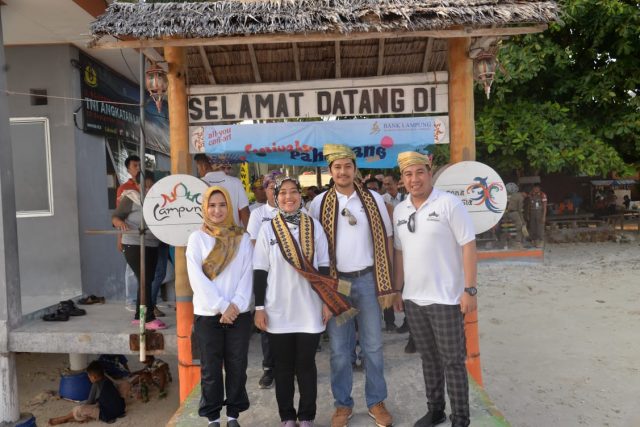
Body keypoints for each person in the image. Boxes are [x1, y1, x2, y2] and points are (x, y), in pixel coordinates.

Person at [253, 176, 356, 427]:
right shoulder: (268, 229)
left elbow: (323, 266)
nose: (288, 197)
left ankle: (307, 416)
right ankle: (287, 417)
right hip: (277, 310)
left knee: (306, 366)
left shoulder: (313, 226)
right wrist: (259, 308)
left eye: (293, 192)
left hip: (310, 309)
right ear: (276, 197)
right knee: (283, 367)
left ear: (300, 195)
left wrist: (326, 302)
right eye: (283, 193)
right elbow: (260, 270)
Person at [309, 144, 395, 427]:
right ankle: (342, 405)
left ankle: (376, 402)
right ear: (330, 171)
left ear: (355, 169)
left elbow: (387, 239)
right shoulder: (318, 203)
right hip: (337, 284)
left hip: (368, 279)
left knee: (373, 346)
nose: (343, 171)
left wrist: (391, 282)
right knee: (339, 350)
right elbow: (312, 247)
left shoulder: (373, 199)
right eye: (337, 167)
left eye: (348, 166)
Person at [392, 151, 478, 427]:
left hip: (447, 298)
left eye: (420, 172)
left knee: (452, 361)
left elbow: (468, 245)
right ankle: (436, 410)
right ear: (402, 179)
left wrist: (470, 290)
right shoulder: (400, 210)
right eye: (408, 174)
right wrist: (397, 290)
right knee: (428, 359)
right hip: (414, 299)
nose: (414, 179)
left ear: (430, 174)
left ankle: (460, 418)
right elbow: (399, 253)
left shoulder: (449, 204)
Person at [186, 186, 254, 427]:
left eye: (222, 205)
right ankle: (213, 418)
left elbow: (247, 275)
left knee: (237, 366)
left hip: (238, 314)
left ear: (230, 207)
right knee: (211, 370)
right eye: (212, 205)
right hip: (208, 314)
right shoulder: (196, 239)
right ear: (205, 208)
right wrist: (222, 306)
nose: (217, 210)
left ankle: (233, 416)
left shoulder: (242, 238)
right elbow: (197, 279)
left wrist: (235, 305)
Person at [112, 172, 166, 331]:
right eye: (144, 186)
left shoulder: (159, 199)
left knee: (146, 279)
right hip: (133, 244)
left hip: (152, 244)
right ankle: (148, 318)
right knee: (145, 279)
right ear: (137, 185)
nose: (148, 189)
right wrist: (120, 224)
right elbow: (115, 217)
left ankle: (138, 316)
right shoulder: (131, 198)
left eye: (150, 185)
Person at [246, 170, 283, 389]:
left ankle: (290, 366)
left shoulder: (297, 210)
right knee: (267, 322)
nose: (276, 191)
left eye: (280, 187)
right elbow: (253, 245)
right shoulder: (258, 214)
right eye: (271, 187)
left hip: (291, 278)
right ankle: (269, 368)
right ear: (265, 190)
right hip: (267, 276)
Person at [49, 361, 126, 425]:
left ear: (94, 377)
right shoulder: (107, 379)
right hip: (121, 409)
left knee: (79, 409)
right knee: (124, 385)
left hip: (108, 414)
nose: (89, 378)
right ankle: (75, 418)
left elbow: (89, 402)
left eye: (89, 376)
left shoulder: (96, 385)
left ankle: (64, 418)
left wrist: (81, 404)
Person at [194, 153, 250, 228]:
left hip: (206, 233)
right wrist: (250, 234)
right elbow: (245, 212)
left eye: (198, 168)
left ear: (204, 166)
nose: (199, 171)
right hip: (232, 233)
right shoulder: (236, 182)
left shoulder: (197, 184)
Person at [503, 183, 526, 247]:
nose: (526, 196)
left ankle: (506, 241)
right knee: (520, 227)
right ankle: (518, 242)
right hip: (514, 213)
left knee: (506, 228)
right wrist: (523, 220)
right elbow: (519, 210)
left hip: (506, 213)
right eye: (526, 194)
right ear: (523, 192)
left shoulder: (511, 195)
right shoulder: (520, 197)